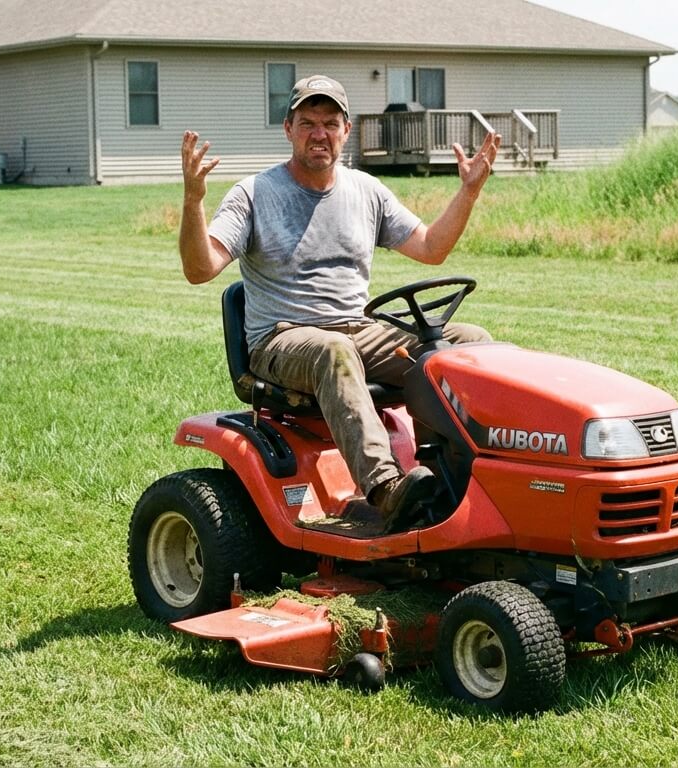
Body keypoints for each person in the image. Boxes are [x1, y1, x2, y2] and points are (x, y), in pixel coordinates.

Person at [178, 74, 499, 531]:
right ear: (288, 129)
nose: (319, 133)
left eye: (330, 122)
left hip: (357, 327)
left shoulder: (366, 191)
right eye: (307, 122)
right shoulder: (254, 194)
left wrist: (468, 192)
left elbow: (431, 248)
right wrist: (193, 202)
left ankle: (454, 472)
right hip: (282, 337)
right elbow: (200, 268)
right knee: (335, 351)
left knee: (467, 343)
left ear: (346, 130)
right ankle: (387, 489)